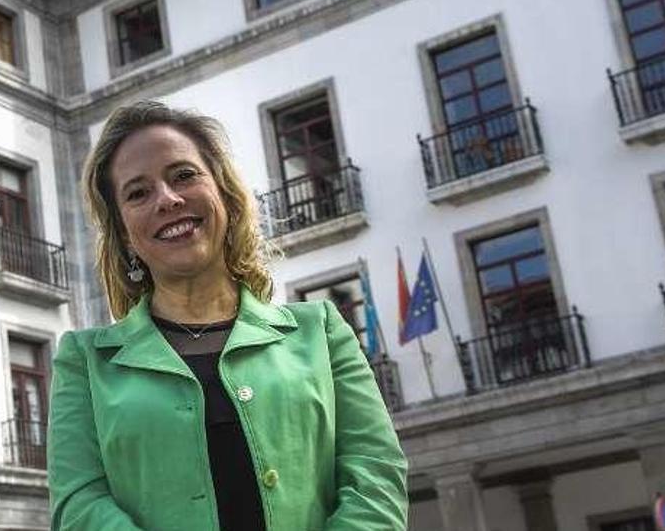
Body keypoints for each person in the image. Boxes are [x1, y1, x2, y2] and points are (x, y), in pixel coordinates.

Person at [46, 101, 408, 530]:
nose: (168, 198)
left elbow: (376, 478)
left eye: (183, 175)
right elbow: (79, 506)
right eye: (138, 193)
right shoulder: (85, 362)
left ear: (225, 195)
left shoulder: (322, 332)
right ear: (125, 234)